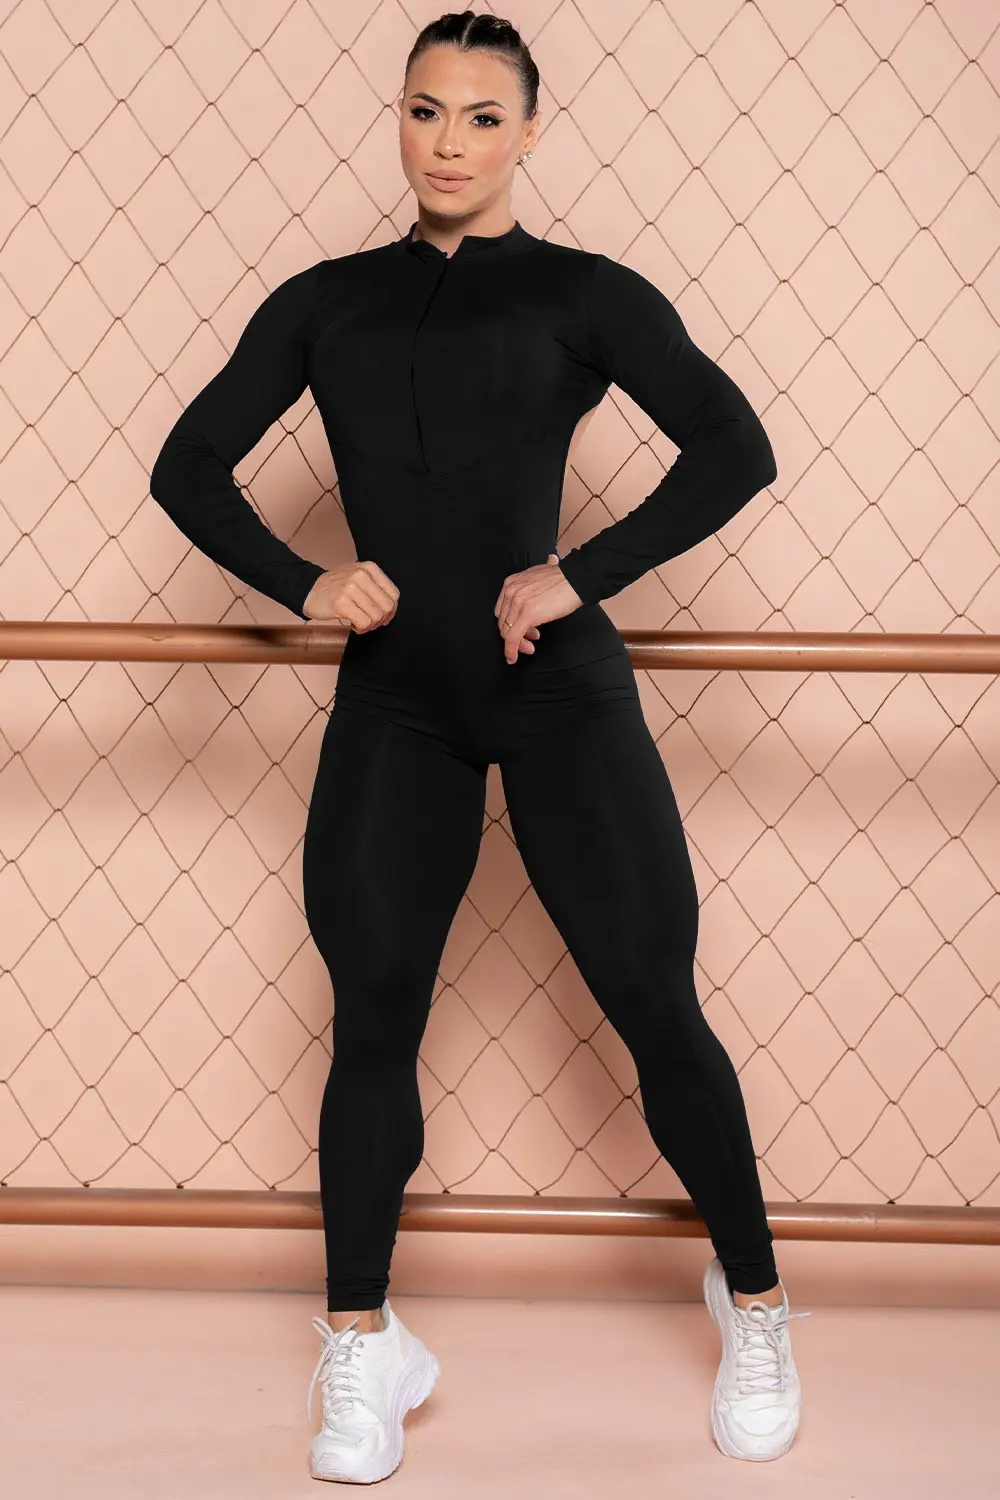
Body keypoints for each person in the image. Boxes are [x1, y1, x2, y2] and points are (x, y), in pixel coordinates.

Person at [149, 8, 811, 1485]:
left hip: (557, 691)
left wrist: (583, 573)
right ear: (399, 119)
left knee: (652, 998)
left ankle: (758, 1302)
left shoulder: (585, 293)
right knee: (373, 1014)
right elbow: (186, 465)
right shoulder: (326, 304)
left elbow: (735, 446)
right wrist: (305, 584)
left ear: (528, 133)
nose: (449, 143)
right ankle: (361, 1340)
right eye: (425, 110)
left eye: (482, 117)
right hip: (398, 702)